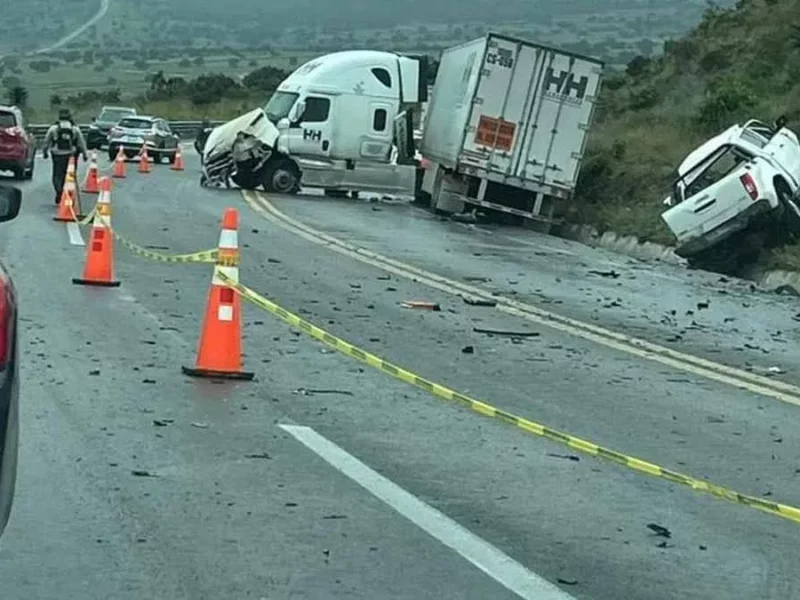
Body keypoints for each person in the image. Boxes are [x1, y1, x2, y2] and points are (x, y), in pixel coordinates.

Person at [42, 109, 88, 204]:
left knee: (57, 175)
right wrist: (84, 154)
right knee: (70, 176)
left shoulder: (53, 128)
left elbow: (46, 141)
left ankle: (59, 191)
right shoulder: (75, 129)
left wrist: (45, 152)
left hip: (57, 155)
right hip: (71, 156)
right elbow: (81, 143)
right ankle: (67, 194)